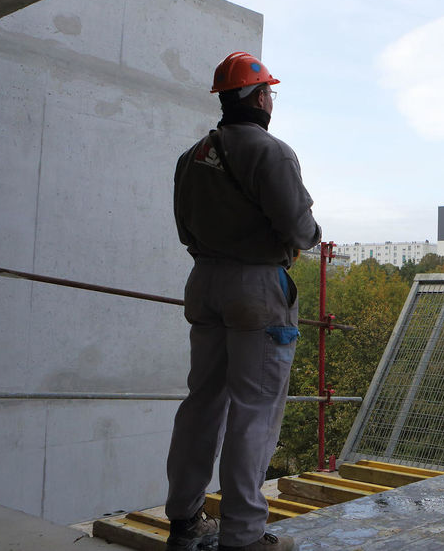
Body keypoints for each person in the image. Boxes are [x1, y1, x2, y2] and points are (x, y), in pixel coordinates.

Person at [164, 52, 321, 551]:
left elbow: (184, 228)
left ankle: (185, 523)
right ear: (259, 97)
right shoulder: (270, 152)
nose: (271, 99)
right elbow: (300, 229)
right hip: (255, 291)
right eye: (269, 91)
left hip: (204, 282)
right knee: (255, 409)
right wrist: (309, 233)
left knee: (202, 403)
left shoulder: (191, 155)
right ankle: (243, 536)